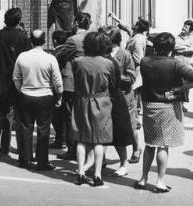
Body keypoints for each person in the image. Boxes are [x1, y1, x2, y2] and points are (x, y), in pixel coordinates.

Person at [134, 32, 193, 193]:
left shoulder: (145, 61)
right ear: (172, 49)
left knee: (150, 144)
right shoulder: (175, 64)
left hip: (149, 106)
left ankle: (143, 179)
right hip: (168, 107)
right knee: (163, 146)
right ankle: (160, 182)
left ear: (155, 47)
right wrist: (179, 89)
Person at [71, 32, 117, 187]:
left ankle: (81, 172)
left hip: (82, 100)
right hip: (101, 101)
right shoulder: (108, 63)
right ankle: (97, 174)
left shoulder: (77, 62)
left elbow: (76, 81)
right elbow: (114, 84)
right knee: (99, 140)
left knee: (82, 139)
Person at [13, 30, 62, 170]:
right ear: (44, 41)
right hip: (45, 96)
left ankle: (25, 159)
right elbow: (57, 81)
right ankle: (42, 161)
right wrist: (59, 95)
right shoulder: (50, 58)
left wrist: (21, 89)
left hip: (26, 94)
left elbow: (16, 77)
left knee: (25, 128)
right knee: (43, 129)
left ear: (30, 41)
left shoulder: (22, 57)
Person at [0, 7, 32, 159]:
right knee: (19, 117)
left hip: (0, 78)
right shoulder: (23, 38)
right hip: (17, 80)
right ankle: (22, 150)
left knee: (0, 115)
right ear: (18, 21)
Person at [54, 12, 92, 161]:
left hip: (73, 83)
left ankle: (73, 148)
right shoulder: (92, 38)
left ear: (76, 24)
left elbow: (60, 55)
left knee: (71, 118)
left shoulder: (73, 40)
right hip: (88, 82)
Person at [100, 25, 135, 177]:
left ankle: (123, 163)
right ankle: (100, 160)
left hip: (121, 97)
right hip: (104, 97)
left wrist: (115, 76)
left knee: (120, 132)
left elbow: (132, 77)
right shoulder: (100, 55)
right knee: (103, 130)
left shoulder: (125, 54)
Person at [123, 17, 150, 163]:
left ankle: (136, 148)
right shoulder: (138, 37)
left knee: (132, 101)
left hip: (134, 71)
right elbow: (127, 28)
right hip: (133, 70)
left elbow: (139, 58)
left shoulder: (137, 40)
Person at [49, 29, 69, 149]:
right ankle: (64, 138)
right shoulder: (68, 51)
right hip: (68, 85)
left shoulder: (56, 54)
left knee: (57, 115)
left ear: (55, 41)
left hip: (58, 86)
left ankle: (60, 139)